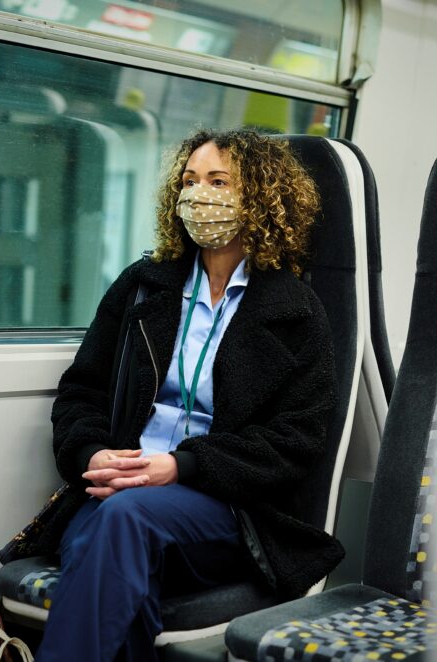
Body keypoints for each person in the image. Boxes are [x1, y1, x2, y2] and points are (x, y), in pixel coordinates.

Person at [35, 129, 342, 661]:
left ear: (260, 200)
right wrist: (92, 454)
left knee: (117, 526)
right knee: (119, 552)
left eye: (218, 182)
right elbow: (81, 391)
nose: (199, 195)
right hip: (121, 487)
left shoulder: (297, 314)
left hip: (227, 506)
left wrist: (183, 467)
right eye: (189, 181)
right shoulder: (143, 287)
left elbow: (296, 441)